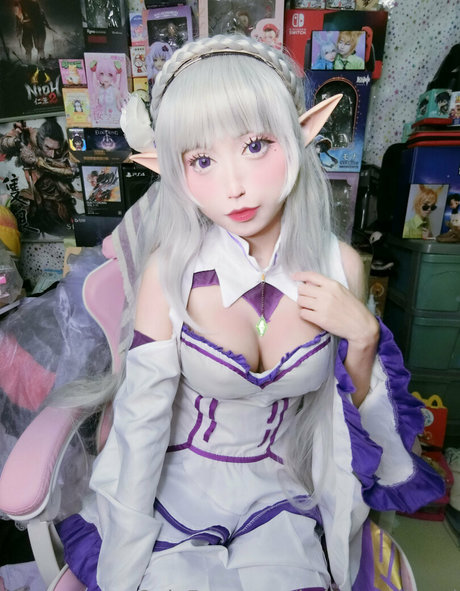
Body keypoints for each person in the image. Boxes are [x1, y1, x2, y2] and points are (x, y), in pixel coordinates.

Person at [53, 35, 443, 591]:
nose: (233, 187)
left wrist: (363, 340)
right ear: (173, 171)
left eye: (256, 145)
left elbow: (346, 424)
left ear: (300, 135)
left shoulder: (342, 267)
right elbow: (140, 426)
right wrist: (124, 564)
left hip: (283, 491)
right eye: (202, 160)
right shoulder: (170, 273)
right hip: (177, 488)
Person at [0, 118, 80, 236]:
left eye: (56, 149)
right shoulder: (31, 139)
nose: (52, 154)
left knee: (66, 231)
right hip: (37, 199)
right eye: (48, 148)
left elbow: (73, 171)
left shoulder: (63, 147)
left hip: (59, 200)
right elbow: (3, 144)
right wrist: (16, 141)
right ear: (40, 141)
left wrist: (38, 162)